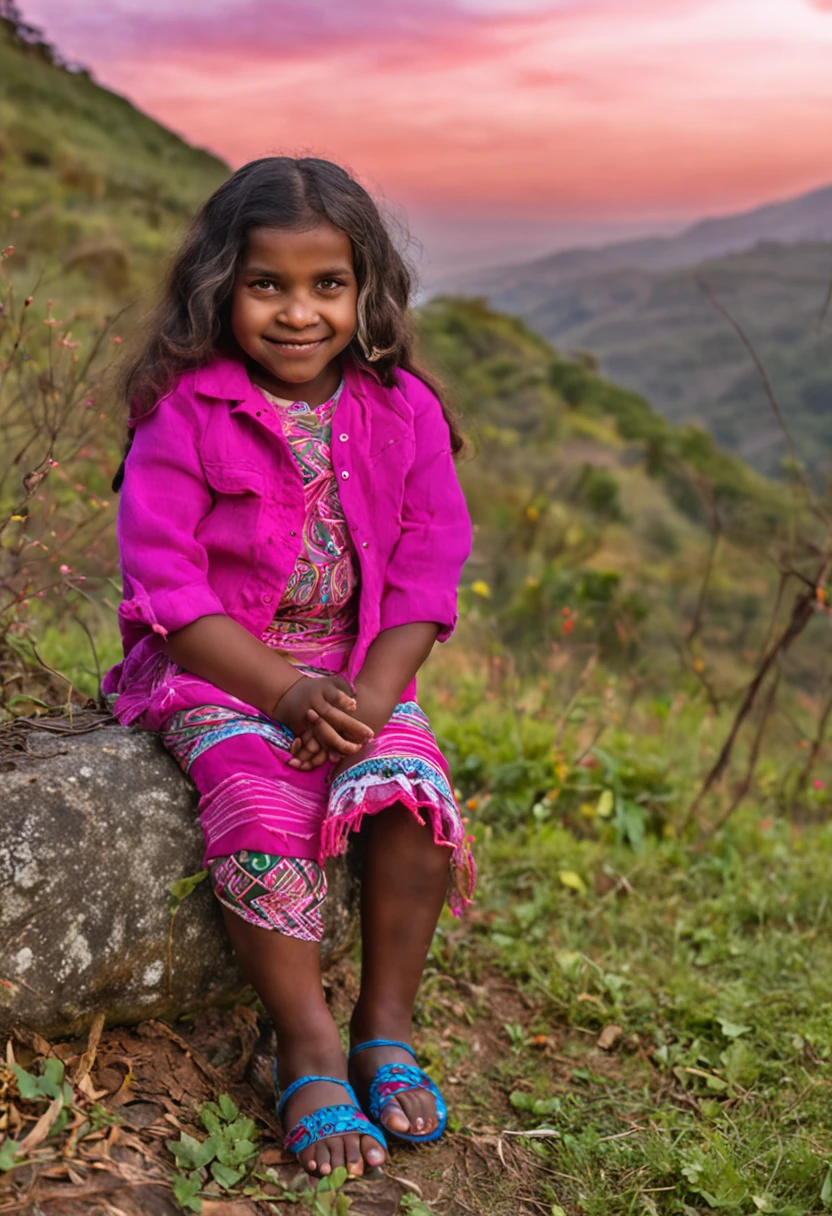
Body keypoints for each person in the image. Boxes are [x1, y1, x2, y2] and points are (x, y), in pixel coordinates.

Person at [103, 157, 474, 1179]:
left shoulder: (404, 410)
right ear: (222, 287)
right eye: (268, 284)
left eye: (328, 285)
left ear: (367, 293)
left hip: (359, 669)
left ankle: (382, 1027)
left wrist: (364, 700)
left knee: (407, 793)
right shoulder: (183, 411)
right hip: (216, 664)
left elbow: (426, 570)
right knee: (259, 797)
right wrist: (281, 691)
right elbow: (169, 590)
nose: (298, 312)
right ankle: (306, 1041)